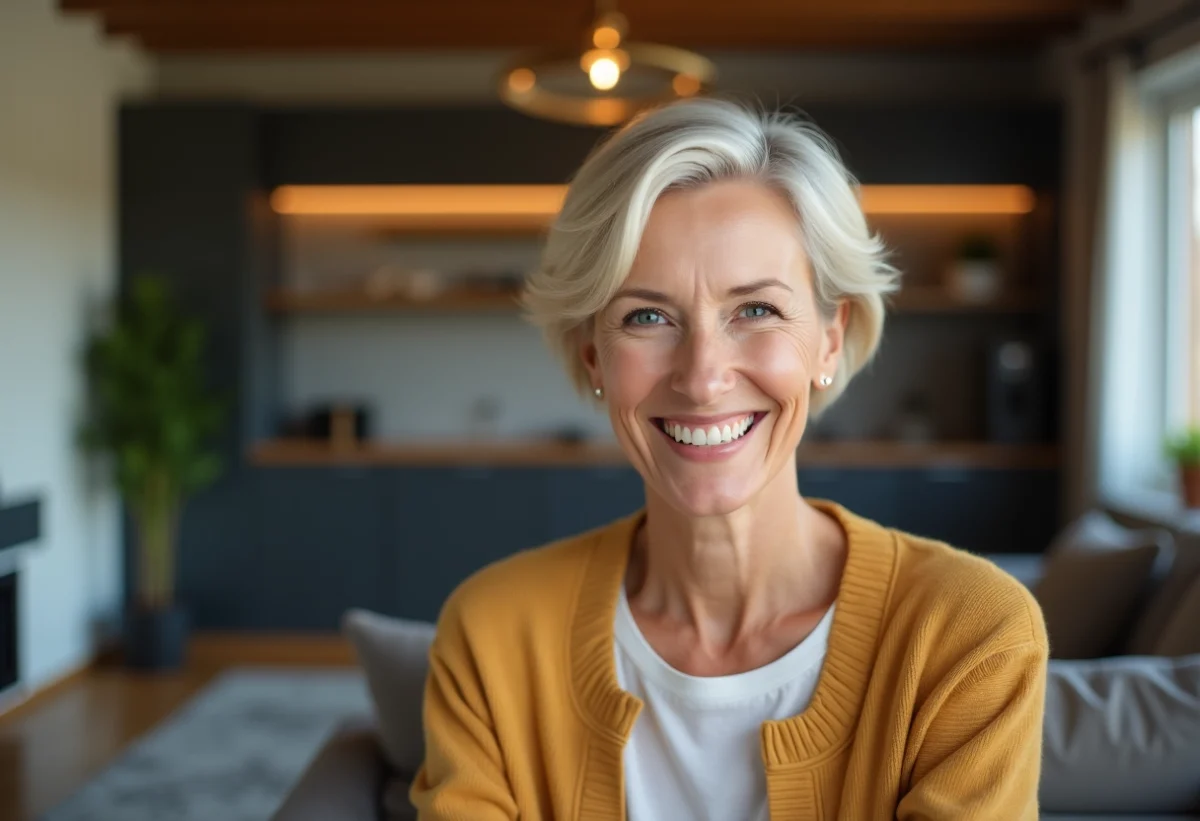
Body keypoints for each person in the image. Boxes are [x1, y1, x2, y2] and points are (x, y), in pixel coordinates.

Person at [410, 96, 1049, 820]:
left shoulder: (970, 634)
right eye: (646, 316)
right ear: (595, 354)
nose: (703, 376)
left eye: (756, 310)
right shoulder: (492, 632)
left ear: (829, 340)